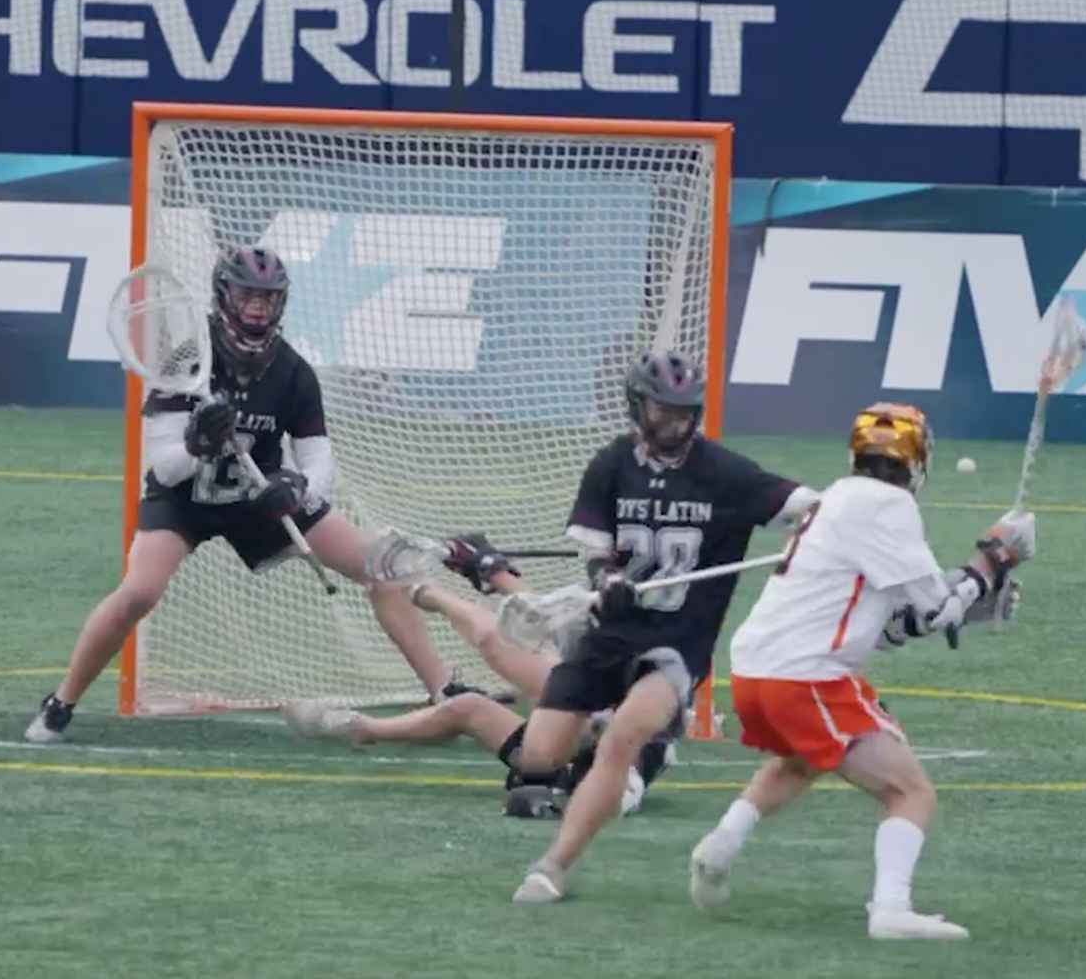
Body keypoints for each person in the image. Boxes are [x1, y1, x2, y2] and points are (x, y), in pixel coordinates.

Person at [26, 246, 472, 742]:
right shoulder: (186, 360)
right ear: (224, 296)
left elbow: (318, 459)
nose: (258, 307)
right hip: (185, 502)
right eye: (247, 295)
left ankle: (443, 691)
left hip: (259, 497)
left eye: (267, 297)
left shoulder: (294, 372)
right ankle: (60, 703)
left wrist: (296, 488)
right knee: (139, 592)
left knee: (379, 568)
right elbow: (167, 468)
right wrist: (199, 445)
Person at [686, 402, 1031, 940]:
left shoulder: (838, 498)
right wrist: (996, 557)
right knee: (909, 791)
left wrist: (975, 594)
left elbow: (889, 623)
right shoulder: (886, 505)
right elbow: (941, 608)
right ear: (916, 461)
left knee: (803, 758)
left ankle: (721, 845)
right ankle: (890, 910)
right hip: (802, 676)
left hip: (756, 672)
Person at [506, 350, 821, 904]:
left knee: (625, 738)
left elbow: (807, 505)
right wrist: (609, 578)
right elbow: (596, 553)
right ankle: (606, 734)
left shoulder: (723, 471)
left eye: (684, 413)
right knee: (538, 758)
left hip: (677, 640)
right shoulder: (611, 464)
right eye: (662, 411)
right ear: (636, 407)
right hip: (610, 633)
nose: (674, 424)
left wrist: (818, 524)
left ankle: (552, 866)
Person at [281, 534, 675, 817]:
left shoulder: (597, 775)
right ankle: (433, 590)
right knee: (509, 649)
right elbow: (547, 620)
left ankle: (361, 727)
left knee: (470, 701)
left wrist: (491, 569)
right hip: (598, 725)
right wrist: (492, 569)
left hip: (574, 744)